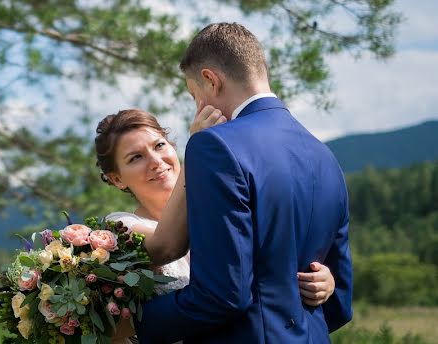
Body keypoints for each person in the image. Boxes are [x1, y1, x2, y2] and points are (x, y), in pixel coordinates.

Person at [128, 23, 353, 343]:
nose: (197, 108)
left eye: (195, 96)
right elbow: (339, 301)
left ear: (210, 80)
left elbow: (222, 295)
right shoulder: (325, 156)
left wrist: (136, 325)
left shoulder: (215, 146)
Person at [95, 108, 336, 343]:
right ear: (117, 179)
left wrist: (321, 279)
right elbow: (166, 243)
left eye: (159, 146)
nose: (156, 161)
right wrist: (196, 153)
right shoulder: (121, 229)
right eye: (136, 157)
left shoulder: (224, 208)